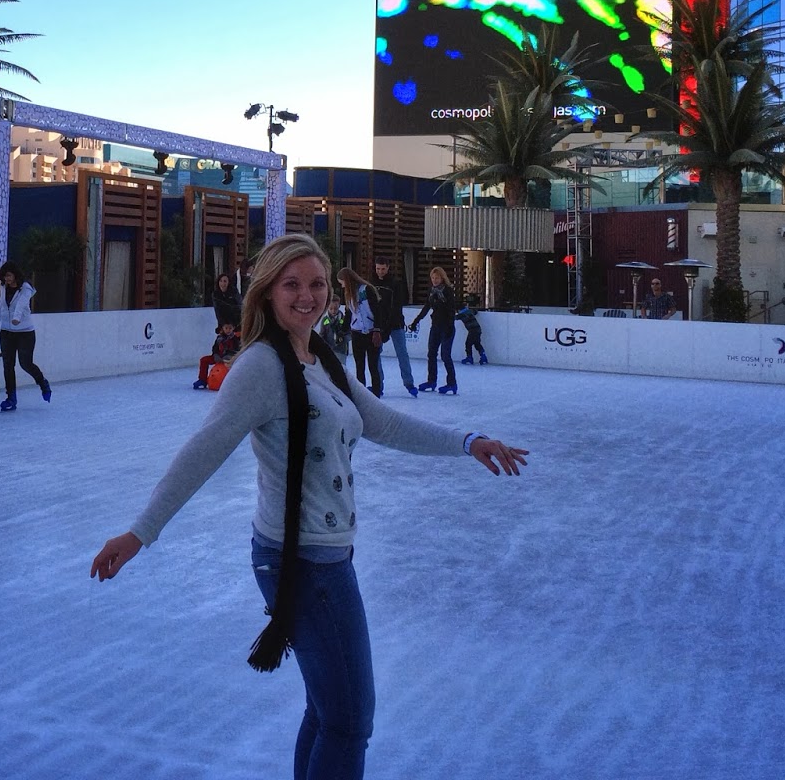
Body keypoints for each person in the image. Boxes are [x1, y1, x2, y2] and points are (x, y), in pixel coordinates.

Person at [90, 233, 528, 780]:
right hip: (300, 563)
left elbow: (383, 422)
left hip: (325, 558)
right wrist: (141, 532)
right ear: (268, 292)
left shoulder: (320, 356)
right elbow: (203, 451)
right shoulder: (260, 368)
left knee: (329, 712)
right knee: (349, 720)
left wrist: (467, 441)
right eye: (292, 284)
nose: (307, 295)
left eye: (317, 284)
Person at [0, 261, 51, 411]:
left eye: (9, 276)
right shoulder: (4, 286)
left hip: (24, 332)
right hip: (6, 331)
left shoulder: (26, 288)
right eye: (5, 276)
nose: (7, 279)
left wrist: (17, 318)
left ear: (16, 275)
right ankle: (11, 397)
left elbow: (21, 305)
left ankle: (42, 382)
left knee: (25, 363)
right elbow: (2, 305)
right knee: (8, 365)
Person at [409, 266, 459, 394]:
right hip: (435, 326)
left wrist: (449, 326)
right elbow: (426, 307)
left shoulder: (447, 291)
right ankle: (431, 381)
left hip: (446, 328)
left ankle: (452, 383)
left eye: (437, 278)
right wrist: (416, 321)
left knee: (445, 355)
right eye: (432, 278)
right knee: (431, 354)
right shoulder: (432, 291)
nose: (434, 280)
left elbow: (451, 310)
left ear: (442, 278)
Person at [371, 258, 416, 395]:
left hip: (396, 324)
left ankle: (409, 383)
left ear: (388, 268)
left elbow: (396, 306)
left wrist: (389, 325)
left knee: (402, 353)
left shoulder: (396, 284)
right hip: (379, 324)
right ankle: (378, 384)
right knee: (376, 354)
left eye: (383, 269)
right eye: (378, 268)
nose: (380, 271)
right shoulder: (372, 283)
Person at [338, 267, 384, 399]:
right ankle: (362, 395)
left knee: (373, 365)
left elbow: (377, 310)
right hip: (357, 333)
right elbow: (348, 314)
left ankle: (376, 393)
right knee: (359, 365)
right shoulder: (348, 294)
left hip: (371, 333)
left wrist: (377, 329)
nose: (341, 286)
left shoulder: (366, 289)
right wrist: (342, 330)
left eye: (342, 282)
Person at [194, 321, 242, 390]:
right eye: (226, 328)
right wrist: (216, 355)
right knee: (204, 360)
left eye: (230, 328)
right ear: (223, 328)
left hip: (230, 359)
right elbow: (215, 348)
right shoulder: (219, 338)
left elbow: (237, 350)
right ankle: (202, 380)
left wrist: (229, 356)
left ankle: (233, 381)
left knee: (235, 366)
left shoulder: (235, 339)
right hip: (218, 357)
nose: (228, 330)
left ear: (233, 328)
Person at [457, 294, 488, 365]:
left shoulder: (461, 315)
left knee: (468, 344)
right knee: (477, 343)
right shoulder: (470, 311)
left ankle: (469, 357)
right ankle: (483, 356)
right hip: (478, 329)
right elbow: (475, 311)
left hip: (472, 330)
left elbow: (454, 318)